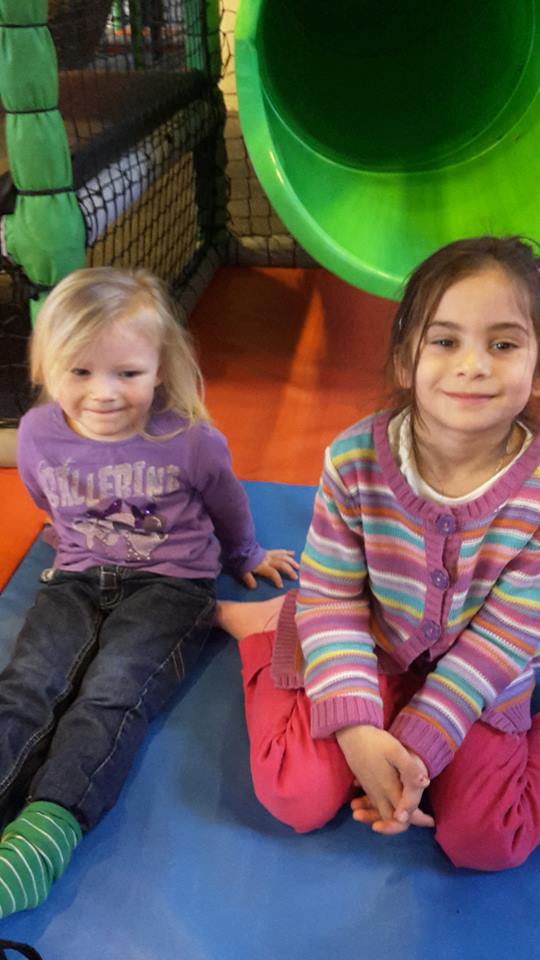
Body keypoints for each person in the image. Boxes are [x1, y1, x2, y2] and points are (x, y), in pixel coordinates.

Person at [217, 235, 540, 872]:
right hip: (374, 644)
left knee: (489, 840)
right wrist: (358, 729)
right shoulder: (354, 461)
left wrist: (419, 745)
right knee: (295, 793)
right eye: (444, 341)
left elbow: (506, 636)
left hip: (483, 675)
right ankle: (270, 629)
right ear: (403, 362)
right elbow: (334, 599)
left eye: (503, 345)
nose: (473, 365)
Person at [0, 265, 298, 918]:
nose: (104, 393)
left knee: (113, 691)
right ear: (49, 365)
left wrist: (246, 556)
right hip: (77, 576)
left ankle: (44, 834)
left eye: (127, 373)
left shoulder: (188, 441)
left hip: (171, 583)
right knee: (27, 684)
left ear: (160, 369)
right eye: (80, 371)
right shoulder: (39, 433)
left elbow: (227, 504)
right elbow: (42, 492)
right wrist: (70, 533)